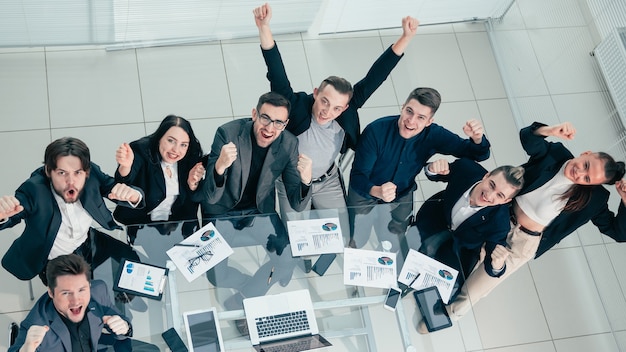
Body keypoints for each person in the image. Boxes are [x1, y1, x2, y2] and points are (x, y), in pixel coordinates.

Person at [440, 121, 626, 327]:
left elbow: (619, 232)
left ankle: (448, 316)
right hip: (499, 217)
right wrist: (550, 131)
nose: (579, 173)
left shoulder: (595, 199)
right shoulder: (556, 154)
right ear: (586, 153)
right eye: (585, 165)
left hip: (522, 243)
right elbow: (528, 138)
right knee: (463, 256)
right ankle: (435, 286)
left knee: (481, 284)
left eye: (587, 178)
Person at [254, 3, 419, 219]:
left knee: (339, 235)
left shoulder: (346, 113)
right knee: (297, 238)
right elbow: (277, 73)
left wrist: (405, 38)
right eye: (324, 102)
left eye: (337, 108)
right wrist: (264, 27)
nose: (327, 112)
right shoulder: (295, 107)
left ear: (345, 108)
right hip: (291, 181)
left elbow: (376, 77)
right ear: (315, 93)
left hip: (327, 180)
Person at [189, 92, 312, 310]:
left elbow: (297, 203)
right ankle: (250, 285)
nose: (270, 128)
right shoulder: (228, 133)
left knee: (286, 262)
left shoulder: (289, 143)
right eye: (265, 118)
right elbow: (209, 196)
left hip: (259, 211)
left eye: (278, 122)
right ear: (254, 114)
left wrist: (306, 180)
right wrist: (219, 168)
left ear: (285, 124)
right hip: (220, 210)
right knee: (215, 276)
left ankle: (244, 297)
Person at [347, 87, 491, 247]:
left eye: (421, 117)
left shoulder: (434, 134)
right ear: (403, 107)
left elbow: (477, 154)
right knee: (356, 237)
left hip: (402, 193)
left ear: (429, 121)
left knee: (394, 238)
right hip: (365, 192)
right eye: (409, 111)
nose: (411, 120)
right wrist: (377, 191)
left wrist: (477, 139)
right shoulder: (376, 131)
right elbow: (358, 177)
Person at [0, 137, 144, 285]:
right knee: (87, 295)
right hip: (56, 258)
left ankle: (125, 297)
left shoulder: (91, 173)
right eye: (62, 173)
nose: (71, 181)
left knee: (131, 260)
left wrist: (133, 196)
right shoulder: (34, 190)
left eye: (78, 173)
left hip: (87, 241)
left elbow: (113, 188)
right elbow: (13, 214)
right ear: (49, 172)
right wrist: (1, 215)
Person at [414, 158, 524, 302]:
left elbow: (493, 263)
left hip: (459, 249)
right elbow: (436, 174)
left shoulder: (500, 222)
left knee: (439, 295)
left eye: (500, 195)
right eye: (491, 185)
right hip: (434, 220)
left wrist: (498, 265)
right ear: (486, 176)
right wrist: (432, 169)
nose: (489, 195)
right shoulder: (466, 168)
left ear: (505, 202)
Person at [9, 254, 132, 352]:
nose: (76, 300)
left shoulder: (98, 291)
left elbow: (118, 319)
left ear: (89, 286)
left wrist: (124, 327)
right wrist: (26, 349)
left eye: (81, 290)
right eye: (66, 293)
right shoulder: (37, 322)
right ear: (51, 293)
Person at [114, 115, 205, 243]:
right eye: (171, 141)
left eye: (183, 145)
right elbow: (124, 183)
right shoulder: (140, 150)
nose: (176, 150)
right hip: (144, 225)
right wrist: (125, 166)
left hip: (179, 224)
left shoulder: (190, 157)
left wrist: (192, 184)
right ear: (159, 137)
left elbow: (195, 199)